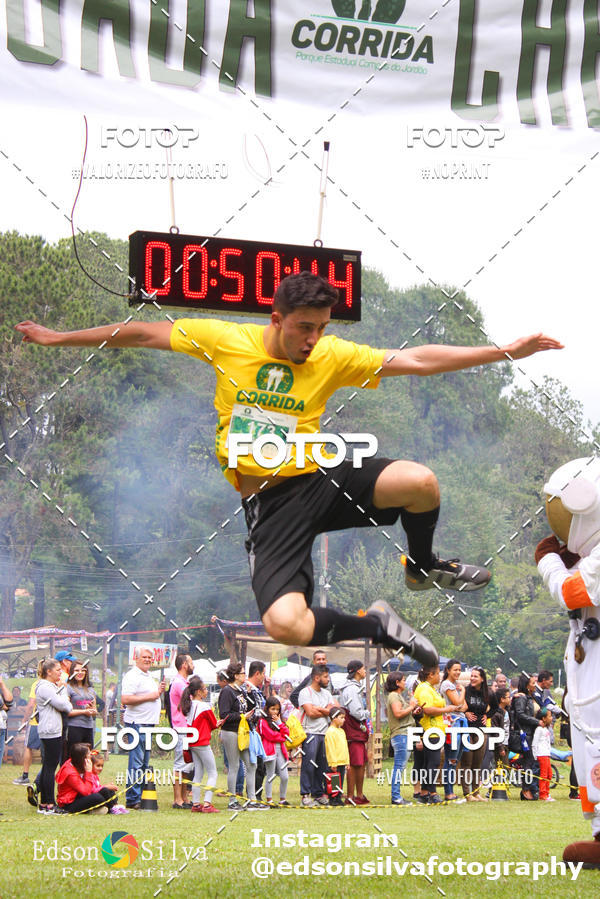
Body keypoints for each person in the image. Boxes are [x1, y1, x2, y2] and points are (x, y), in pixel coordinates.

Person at [16, 276, 561, 659]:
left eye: (321, 328)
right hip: (271, 504)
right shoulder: (226, 340)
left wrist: (505, 351)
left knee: (420, 483)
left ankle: (421, 566)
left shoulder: (330, 354)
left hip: (320, 476)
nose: (313, 339)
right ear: (275, 319)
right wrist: (60, 338)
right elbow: (139, 333)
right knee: (286, 625)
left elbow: (417, 360)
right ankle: (378, 626)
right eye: (304, 327)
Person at [120, 646, 165, 809]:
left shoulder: (148, 676)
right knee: (137, 762)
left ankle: (139, 795)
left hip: (148, 723)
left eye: (149, 657)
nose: (147, 659)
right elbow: (125, 699)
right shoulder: (132, 675)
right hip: (136, 723)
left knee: (144, 763)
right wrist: (152, 696)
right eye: (144, 657)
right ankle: (132, 799)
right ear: (136, 658)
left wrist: (158, 693)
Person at [218, 662, 266, 811]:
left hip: (243, 732)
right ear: (236, 675)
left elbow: (250, 708)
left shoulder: (241, 691)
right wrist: (241, 716)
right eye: (243, 673)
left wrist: (250, 694)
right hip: (231, 732)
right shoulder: (227, 691)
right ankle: (232, 800)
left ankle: (251, 799)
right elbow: (224, 715)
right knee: (234, 765)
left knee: (252, 764)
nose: (245, 676)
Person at [413, 666, 457, 805]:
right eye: (438, 674)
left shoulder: (431, 688)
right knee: (434, 762)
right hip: (430, 730)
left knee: (428, 762)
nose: (440, 676)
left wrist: (445, 715)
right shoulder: (424, 689)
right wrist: (446, 709)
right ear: (431, 675)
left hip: (437, 729)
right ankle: (432, 792)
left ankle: (424, 793)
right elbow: (427, 709)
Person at [35, 658, 73, 814]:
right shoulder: (45, 687)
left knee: (47, 767)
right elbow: (64, 706)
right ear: (48, 671)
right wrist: (64, 690)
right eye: (57, 670)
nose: (61, 672)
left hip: (53, 729)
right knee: (50, 768)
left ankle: (44, 803)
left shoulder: (50, 686)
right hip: (50, 730)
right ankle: (50, 804)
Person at [180, 676, 221, 813]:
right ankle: (208, 803)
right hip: (202, 742)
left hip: (192, 742)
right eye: (205, 689)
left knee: (198, 773)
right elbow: (214, 724)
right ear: (198, 691)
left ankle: (196, 804)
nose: (207, 691)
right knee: (212, 773)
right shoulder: (204, 706)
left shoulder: (190, 705)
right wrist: (219, 723)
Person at [299, 663, 337, 807]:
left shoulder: (327, 694)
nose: (328, 679)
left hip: (324, 733)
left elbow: (333, 712)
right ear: (316, 677)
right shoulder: (305, 692)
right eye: (325, 677)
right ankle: (305, 795)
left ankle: (318, 793)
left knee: (322, 766)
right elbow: (310, 713)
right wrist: (324, 710)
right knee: (308, 765)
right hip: (310, 733)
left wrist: (319, 708)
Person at [339, 659, 370, 805]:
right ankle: (351, 796)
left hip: (357, 730)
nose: (365, 671)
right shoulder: (351, 689)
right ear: (358, 671)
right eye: (364, 668)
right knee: (354, 764)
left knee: (361, 762)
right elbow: (356, 711)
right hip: (353, 730)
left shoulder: (355, 687)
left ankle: (360, 794)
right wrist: (367, 713)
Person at [56, 743, 118, 814]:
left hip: (80, 795)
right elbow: (86, 792)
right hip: (69, 803)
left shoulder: (80, 765)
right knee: (98, 797)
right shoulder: (70, 772)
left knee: (108, 791)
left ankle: (112, 807)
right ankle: (99, 809)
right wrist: (88, 772)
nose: (91, 758)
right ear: (82, 759)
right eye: (89, 756)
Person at [385, 671, 417, 806]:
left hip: (405, 733)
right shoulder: (393, 696)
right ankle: (396, 797)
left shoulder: (398, 696)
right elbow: (398, 713)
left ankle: (397, 795)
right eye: (403, 680)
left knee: (401, 766)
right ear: (397, 683)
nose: (405, 682)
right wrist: (411, 706)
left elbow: (403, 713)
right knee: (399, 766)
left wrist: (412, 710)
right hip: (401, 735)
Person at [458, 667, 490, 801]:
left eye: (475, 676)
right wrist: (465, 713)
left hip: (481, 730)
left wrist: (488, 715)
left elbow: (494, 707)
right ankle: (467, 794)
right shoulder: (466, 690)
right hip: (467, 730)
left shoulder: (487, 693)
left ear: (482, 679)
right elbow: (459, 705)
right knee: (467, 763)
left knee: (477, 763)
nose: (472, 678)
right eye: (471, 676)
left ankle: (476, 792)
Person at [169, 653, 195, 809]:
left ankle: (184, 797)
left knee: (186, 764)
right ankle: (177, 798)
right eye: (191, 662)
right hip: (181, 727)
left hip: (187, 727)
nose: (193, 665)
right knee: (180, 764)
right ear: (184, 664)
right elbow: (189, 705)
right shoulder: (179, 683)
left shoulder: (184, 682)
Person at [439, 659, 466, 801]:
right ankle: (448, 791)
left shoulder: (456, 685)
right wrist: (463, 692)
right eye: (455, 669)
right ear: (448, 670)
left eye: (459, 670)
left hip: (461, 722)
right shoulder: (447, 684)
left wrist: (460, 697)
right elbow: (458, 703)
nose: (458, 672)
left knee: (456, 759)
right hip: (452, 724)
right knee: (451, 759)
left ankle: (451, 790)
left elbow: (464, 707)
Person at [511, 673, 540, 801]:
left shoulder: (530, 697)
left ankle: (528, 788)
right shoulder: (521, 698)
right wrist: (536, 722)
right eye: (533, 684)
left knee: (530, 762)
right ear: (527, 686)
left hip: (531, 733)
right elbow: (520, 715)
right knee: (528, 762)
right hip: (524, 734)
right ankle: (525, 790)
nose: (535, 686)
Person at [257, 696, 290, 806]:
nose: (275, 712)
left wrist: (280, 723)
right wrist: (282, 737)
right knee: (270, 775)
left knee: (285, 776)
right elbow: (270, 736)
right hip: (270, 751)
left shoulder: (278, 721)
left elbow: (287, 733)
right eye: (273, 709)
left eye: (277, 709)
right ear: (267, 708)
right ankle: (269, 799)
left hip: (281, 750)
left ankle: (282, 799)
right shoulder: (262, 721)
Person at [65, 661, 98, 755]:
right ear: (72, 672)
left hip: (88, 727)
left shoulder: (91, 690)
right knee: (74, 756)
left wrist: (91, 710)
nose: (80, 673)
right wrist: (84, 711)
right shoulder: (68, 688)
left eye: (83, 670)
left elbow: (95, 712)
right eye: (77, 670)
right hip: (74, 727)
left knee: (87, 756)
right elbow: (67, 711)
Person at [325, 707, 349, 806]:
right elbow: (330, 749)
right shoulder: (330, 732)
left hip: (342, 761)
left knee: (340, 781)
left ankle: (338, 797)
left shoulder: (342, 731)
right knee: (334, 781)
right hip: (335, 762)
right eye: (341, 717)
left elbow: (345, 747)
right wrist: (333, 763)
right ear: (334, 718)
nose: (344, 720)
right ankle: (333, 798)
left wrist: (347, 761)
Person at [532, 709, 555, 802]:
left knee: (549, 775)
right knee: (544, 775)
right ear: (544, 718)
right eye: (549, 716)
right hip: (541, 754)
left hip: (546, 754)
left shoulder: (546, 729)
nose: (551, 718)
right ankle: (543, 794)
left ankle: (547, 793)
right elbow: (535, 743)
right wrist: (535, 755)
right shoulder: (539, 729)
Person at [0, 675, 13, 769]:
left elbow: (9, 702)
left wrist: (2, 684)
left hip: (1, 727)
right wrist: (2, 705)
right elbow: (2, 705)